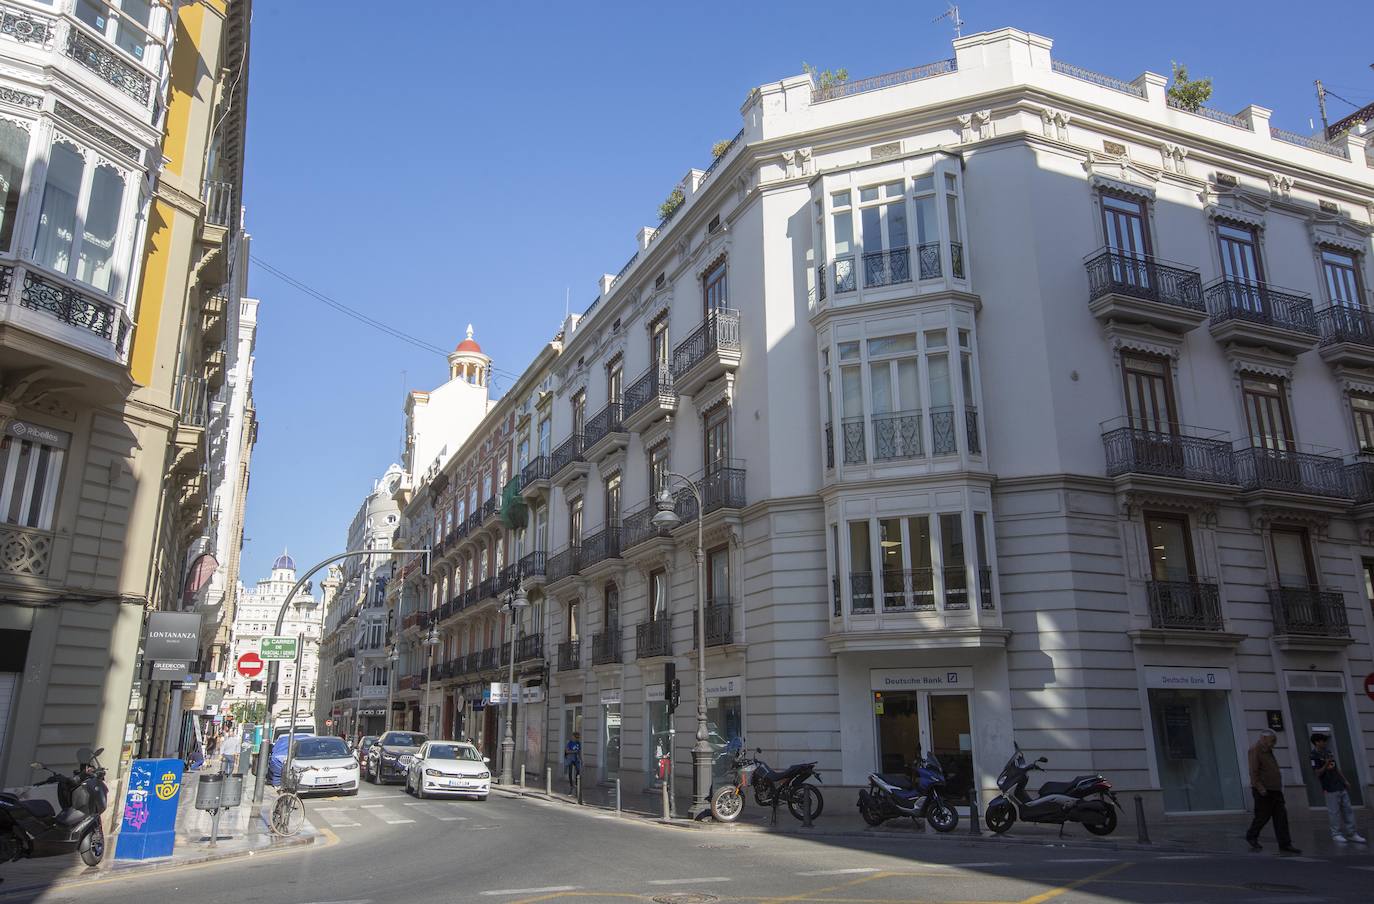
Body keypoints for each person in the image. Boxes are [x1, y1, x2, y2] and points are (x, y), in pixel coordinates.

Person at [1246, 729, 1301, 854]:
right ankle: (1251, 835)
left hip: (1275, 789)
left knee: (1281, 817)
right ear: (1264, 739)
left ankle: (1285, 844)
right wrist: (1260, 788)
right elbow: (1253, 771)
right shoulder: (1256, 750)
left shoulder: (1268, 750)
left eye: (1274, 741)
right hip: (1264, 790)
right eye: (1272, 741)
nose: (1274, 743)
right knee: (1262, 816)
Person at [1310, 732, 1366, 844]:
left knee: (1348, 809)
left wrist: (1345, 780)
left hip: (1339, 785)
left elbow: (1336, 768)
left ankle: (1352, 833)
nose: (1325, 743)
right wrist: (1325, 764)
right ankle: (1336, 834)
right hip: (1329, 787)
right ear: (1317, 742)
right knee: (1334, 812)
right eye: (1323, 741)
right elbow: (1317, 773)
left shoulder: (1328, 752)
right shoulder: (1313, 755)